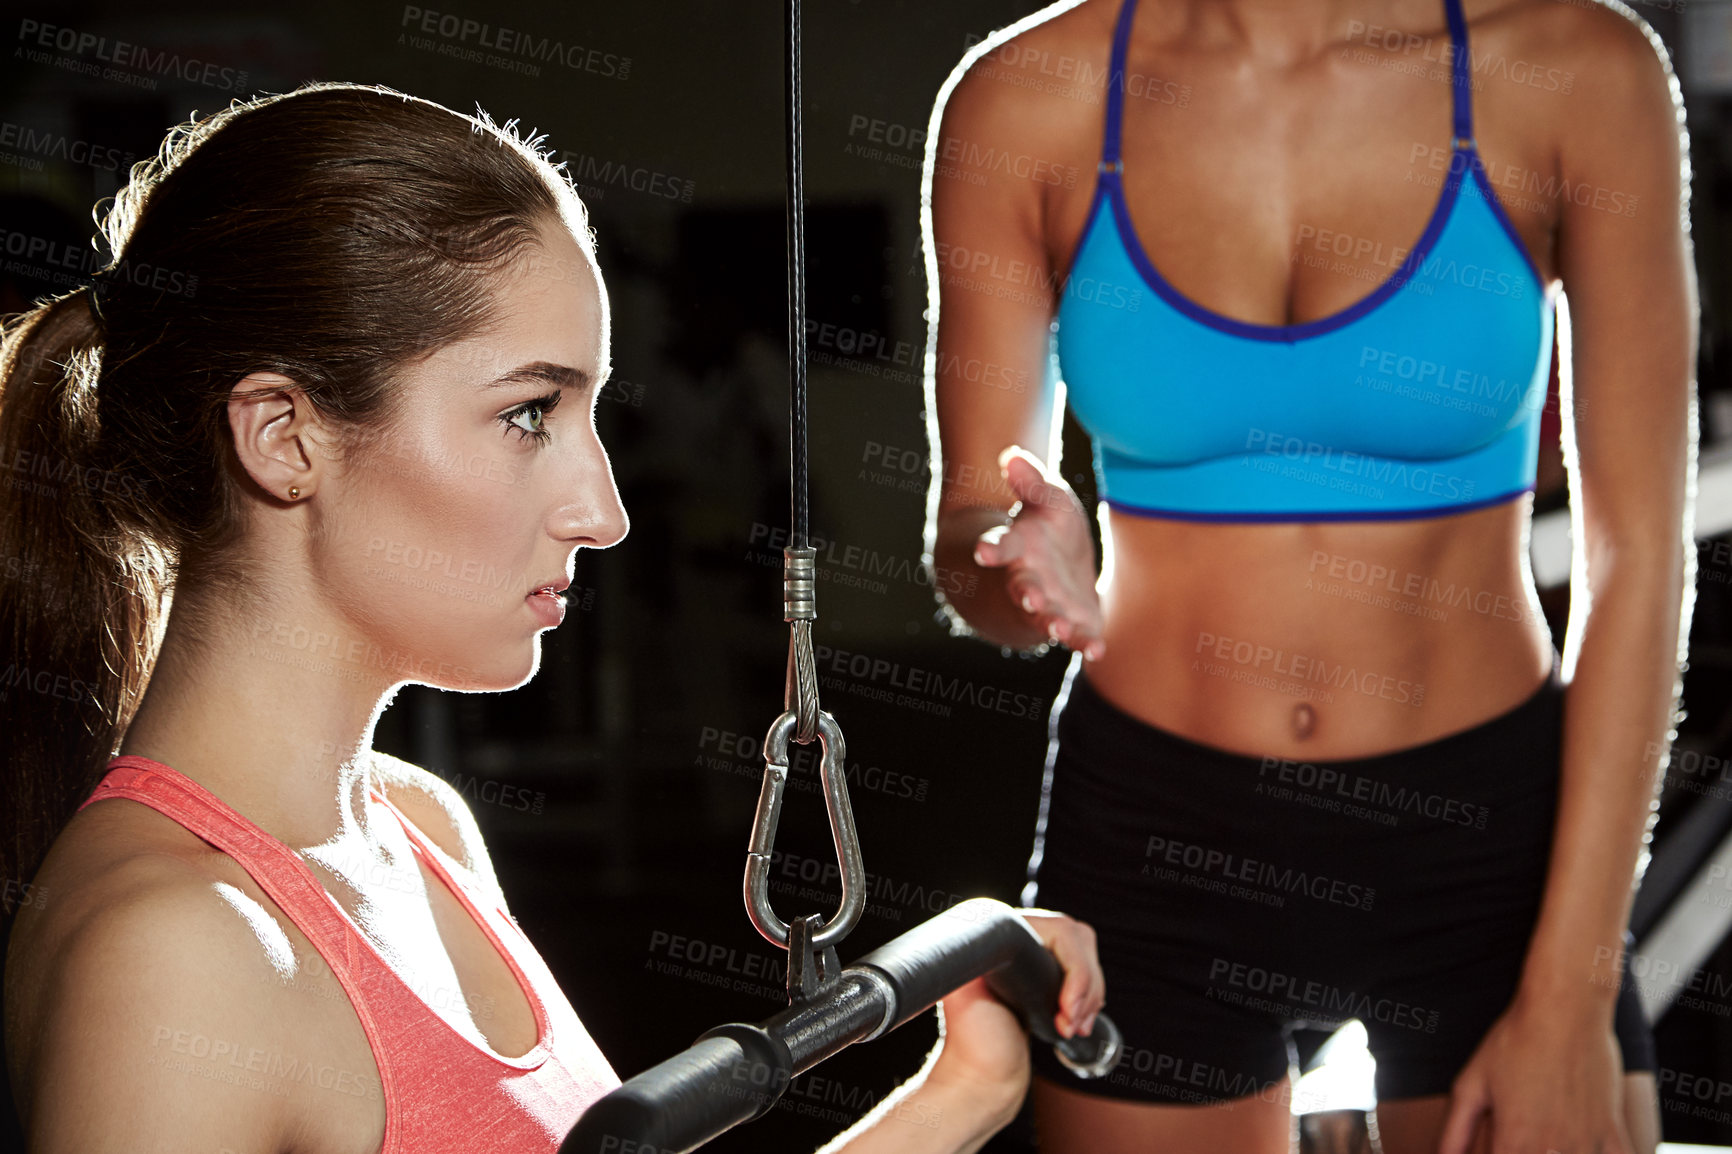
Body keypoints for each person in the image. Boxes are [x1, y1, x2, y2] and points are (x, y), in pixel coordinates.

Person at [0, 81, 1106, 1154]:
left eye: (584, 409)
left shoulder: (419, 828)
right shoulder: (175, 954)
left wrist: (963, 1089)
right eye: (528, 413)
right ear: (284, 438)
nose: (605, 511)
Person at [921, 0, 1694, 1151]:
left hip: (1487, 845)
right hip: (1154, 834)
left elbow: (1638, 557)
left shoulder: (1573, 68)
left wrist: (1571, 994)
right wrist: (1014, 562)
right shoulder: (1028, 96)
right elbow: (972, 540)